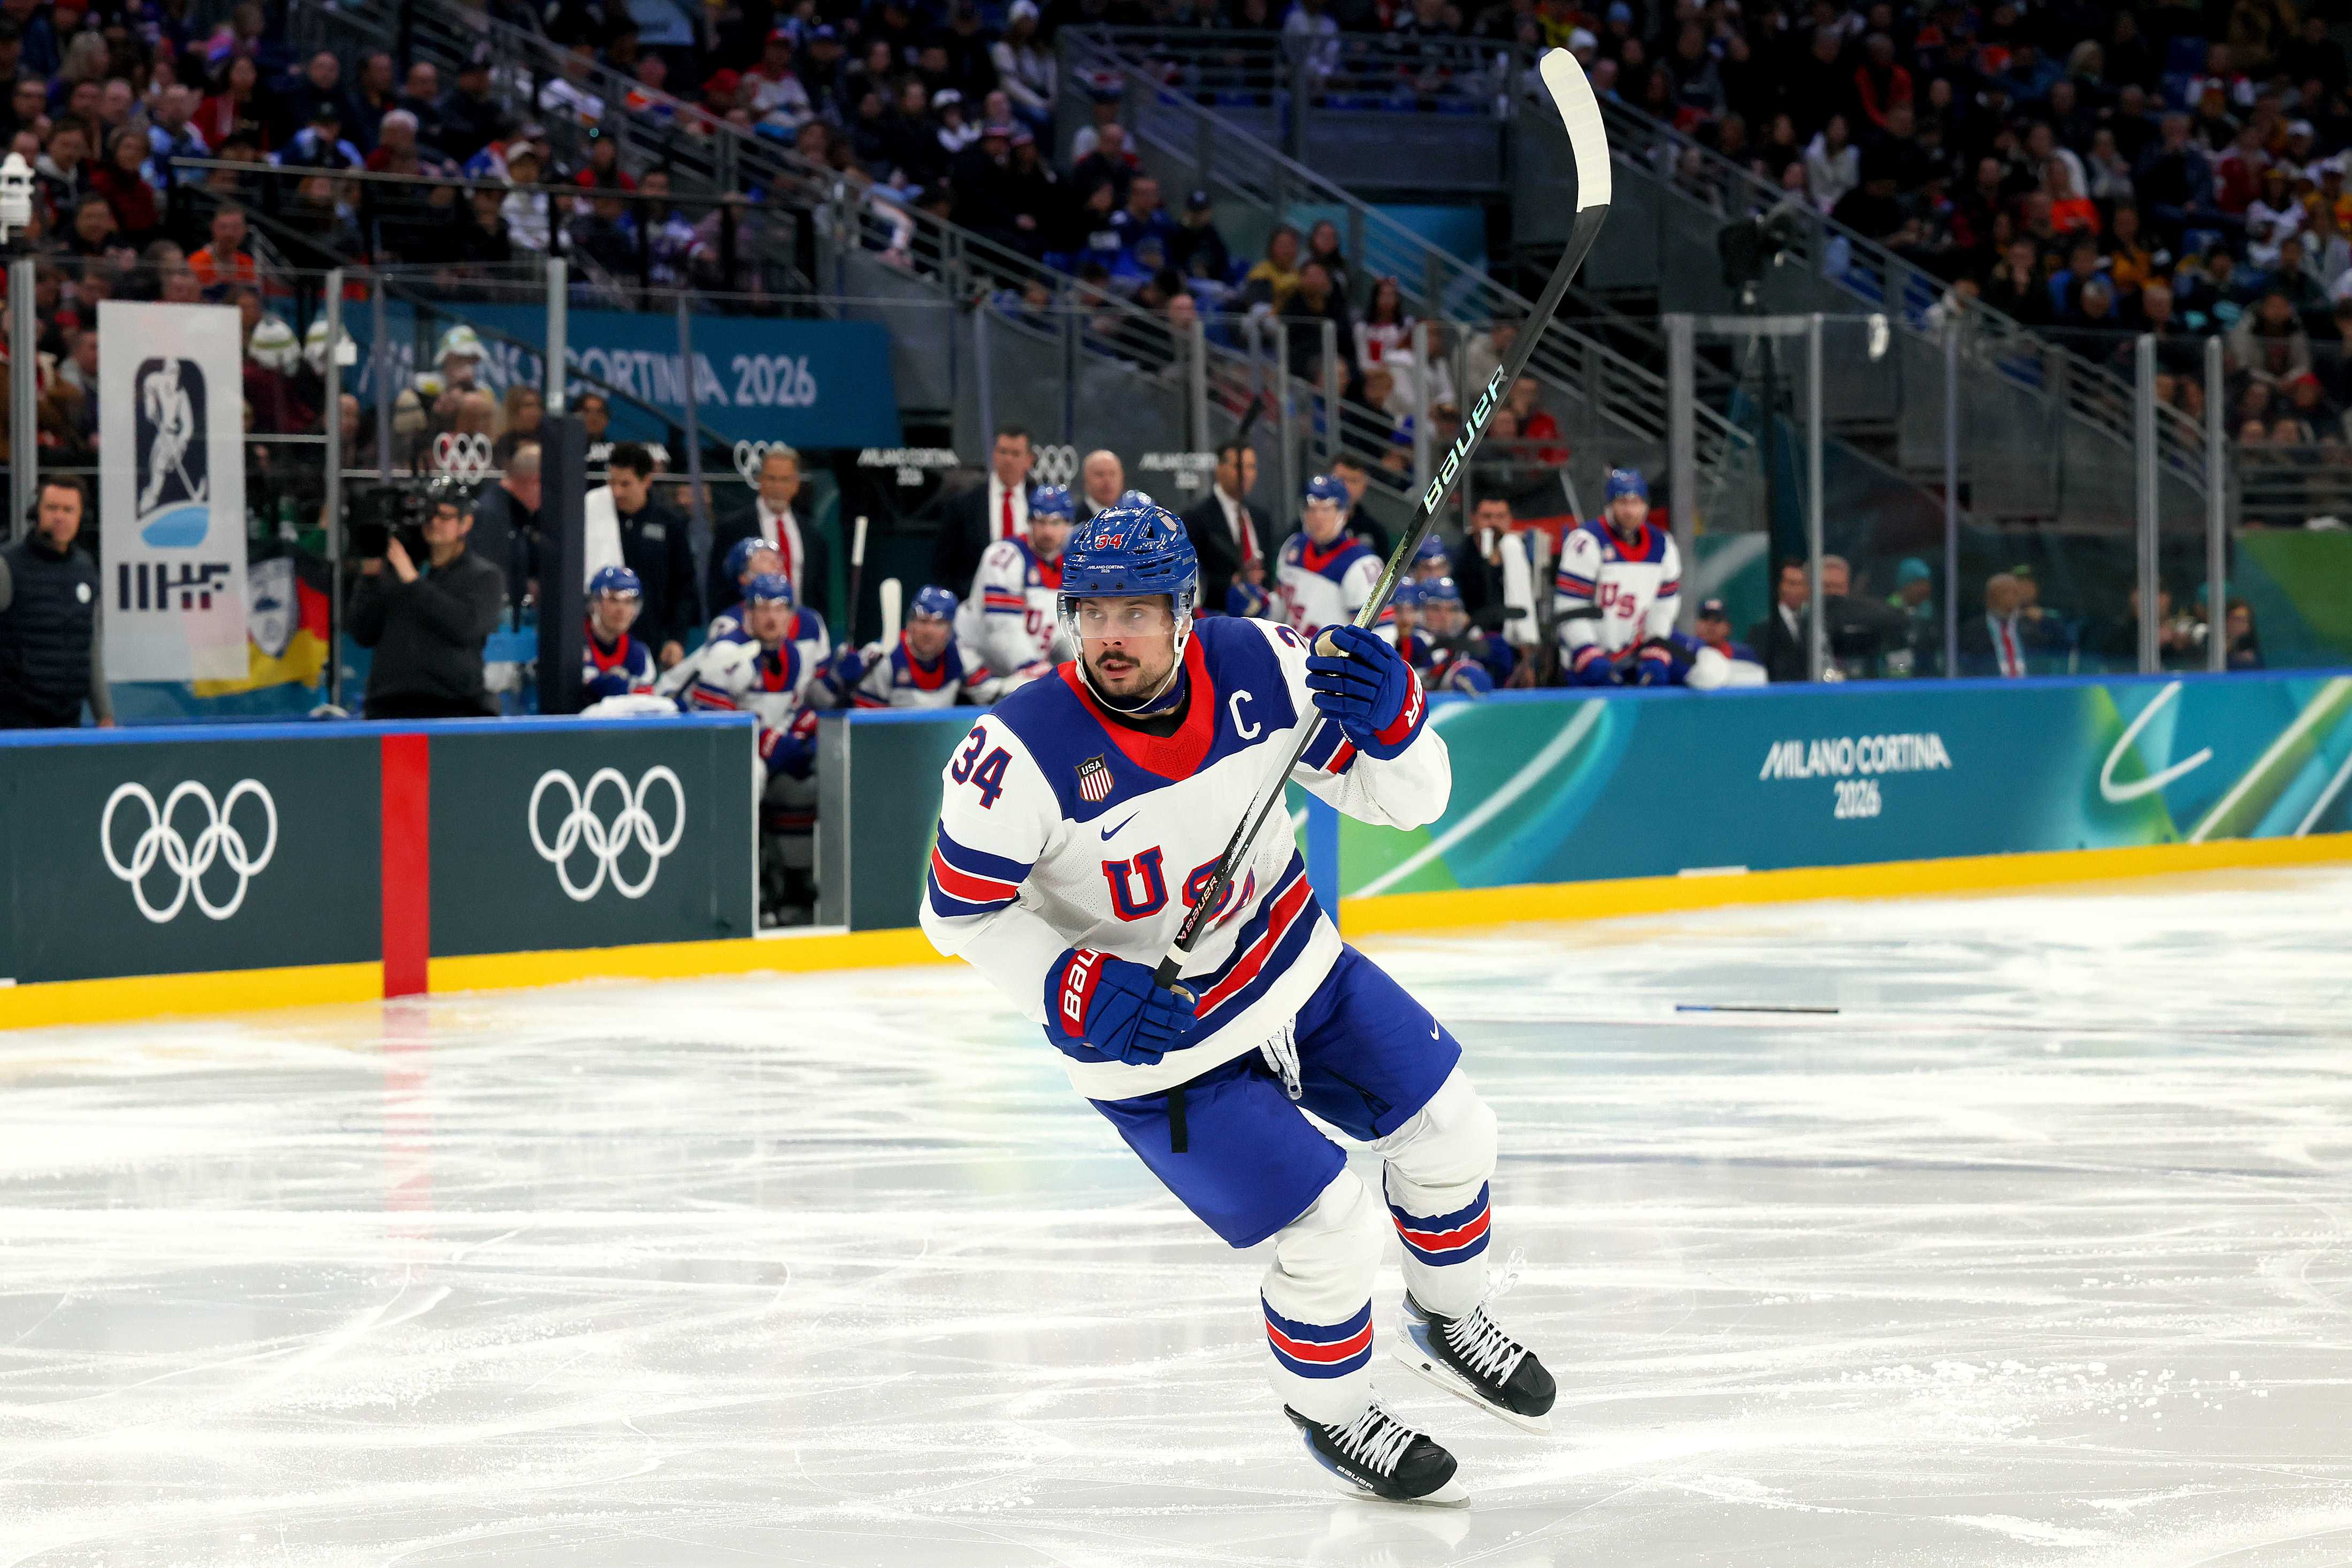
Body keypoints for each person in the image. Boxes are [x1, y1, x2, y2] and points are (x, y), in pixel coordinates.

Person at [918, 502, 1554, 1503]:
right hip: (1160, 1049)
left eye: (1137, 612)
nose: (1111, 636)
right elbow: (955, 913)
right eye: (1093, 613)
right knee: (1329, 1227)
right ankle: (1334, 1412)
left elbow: (1412, 803)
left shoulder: (1262, 662)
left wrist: (1398, 729)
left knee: (1454, 1130)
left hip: (1298, 971)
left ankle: (1449, 1315)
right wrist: (1069, 985)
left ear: (1185, 611)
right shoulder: (1017, 752)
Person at [347, 481, 505, 719]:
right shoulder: (396, 570)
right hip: (389, 707)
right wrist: (369, 578)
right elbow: (363, 633)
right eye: (429, 514)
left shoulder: (484, 576)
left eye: (445, 516)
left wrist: (413, 582)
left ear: (466, 523)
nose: (434, 522)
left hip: (453, 708)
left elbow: (465, 627)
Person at [1554, 468, 1681, 686]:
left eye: (1636, 502)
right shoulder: (1586, 542)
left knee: (1706, 670)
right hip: (1589, 657)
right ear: (1609, 505)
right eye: (1622, 502)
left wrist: (1655, 647)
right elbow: (1570, 608)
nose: (1630, 511)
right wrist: (1586, 650)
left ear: (1646, 505)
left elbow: (1664, 607)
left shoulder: (1663, 546)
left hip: (1636, 653)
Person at [0, 476, 109, 728]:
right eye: (52, 508)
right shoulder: (8, 566)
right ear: (37, 513)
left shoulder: (85, 569)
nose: (60, 517)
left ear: (81, 516)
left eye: (69, 510)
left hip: (68, 722)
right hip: (13, 726)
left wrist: (105, 717)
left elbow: (91, 648)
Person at [816, 583, 1026, 708]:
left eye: (939, 624)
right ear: (909, 623)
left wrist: (1027, 685)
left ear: (951, 630)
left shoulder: (961, 655)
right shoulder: (882, 658)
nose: (929, 631)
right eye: (923, 621)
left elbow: (994, 694)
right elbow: (861, 725)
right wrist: (837, 679)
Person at [582, 442, 696, 665]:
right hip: (593, 639)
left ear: (647, 481)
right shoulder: (591, 513)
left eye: (625, 484)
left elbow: (683, 587)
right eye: (612, 482)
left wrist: (677, 639)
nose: (617, 491)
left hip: (647, 637)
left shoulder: (669, 524)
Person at [961, 482, 1074, 678]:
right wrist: (1034, 668)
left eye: (1056, 523)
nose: (1048, 531)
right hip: (977, 666)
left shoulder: (1072, 565)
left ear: (1068, 526)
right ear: (1029, 522)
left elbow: (1068, 636)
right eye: (1041, 522)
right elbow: (1002, 631)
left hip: (1028, 671)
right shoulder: (1005, 556)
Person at [709, 444, 830, 622]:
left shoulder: (812, 536)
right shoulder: (732, 529)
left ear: (796, 485)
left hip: (799, 630)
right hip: (747, 630)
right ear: (759, 481)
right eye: (772, 479)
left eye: (785, 480)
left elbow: (819, 596)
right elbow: (718, 588)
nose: (778, 487)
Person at [1276, 474, 1388, 643]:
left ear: (1344, 514)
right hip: (1292, 653)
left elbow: (1382, 633)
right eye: (1312, 509)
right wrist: (1260, 605)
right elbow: (1280, 610)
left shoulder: (1362, 563)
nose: (1318, 517)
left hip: (1332, 658)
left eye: (1326, 510)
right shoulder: (1293, 547)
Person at [931, 424, 1036, 598]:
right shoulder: (964, 504)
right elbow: (943, 566)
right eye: (1003, 452)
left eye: (1016, 454)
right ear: (993, 454)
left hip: (1028, 600)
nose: (1008, 460)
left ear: (1029, 460)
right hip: (974, 603)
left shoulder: (1038, 502)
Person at [1179, 439, 1273, 613]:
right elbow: (1189, 577)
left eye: (1251, 467)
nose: (1245, 474)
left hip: (1260, 617)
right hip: (1216, 616)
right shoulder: (1195, 518)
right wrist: (1232, 583)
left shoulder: (1261, 518)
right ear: (1219, 469)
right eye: (1238, 467)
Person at [581, 565, 656, 703]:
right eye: (614, 599)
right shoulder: (572, 646)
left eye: (629, 601)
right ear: (594, 603)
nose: (622, 609)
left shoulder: (639, 654)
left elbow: (643, 703)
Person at [1958, 572, 2035, 677]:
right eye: (2004, 593)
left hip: (2028, 685)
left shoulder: (2030, 625)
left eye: (2015, 593)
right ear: (1989, 598)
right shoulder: (1973, 630)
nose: (2011, 598)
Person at [1748, 558, 1811, 682]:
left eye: (1802, 584)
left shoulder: (1812, 624)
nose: (1798, 590)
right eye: (1792, 584)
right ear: (1780, 587)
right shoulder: (1763, 628)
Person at [1078, 449, 1125, 519]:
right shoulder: (1073, 520)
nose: (1107, 481)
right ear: (1085, 480)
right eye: (1100, 474)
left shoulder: (1134, 518)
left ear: (1122, 477)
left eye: (1112, 474)